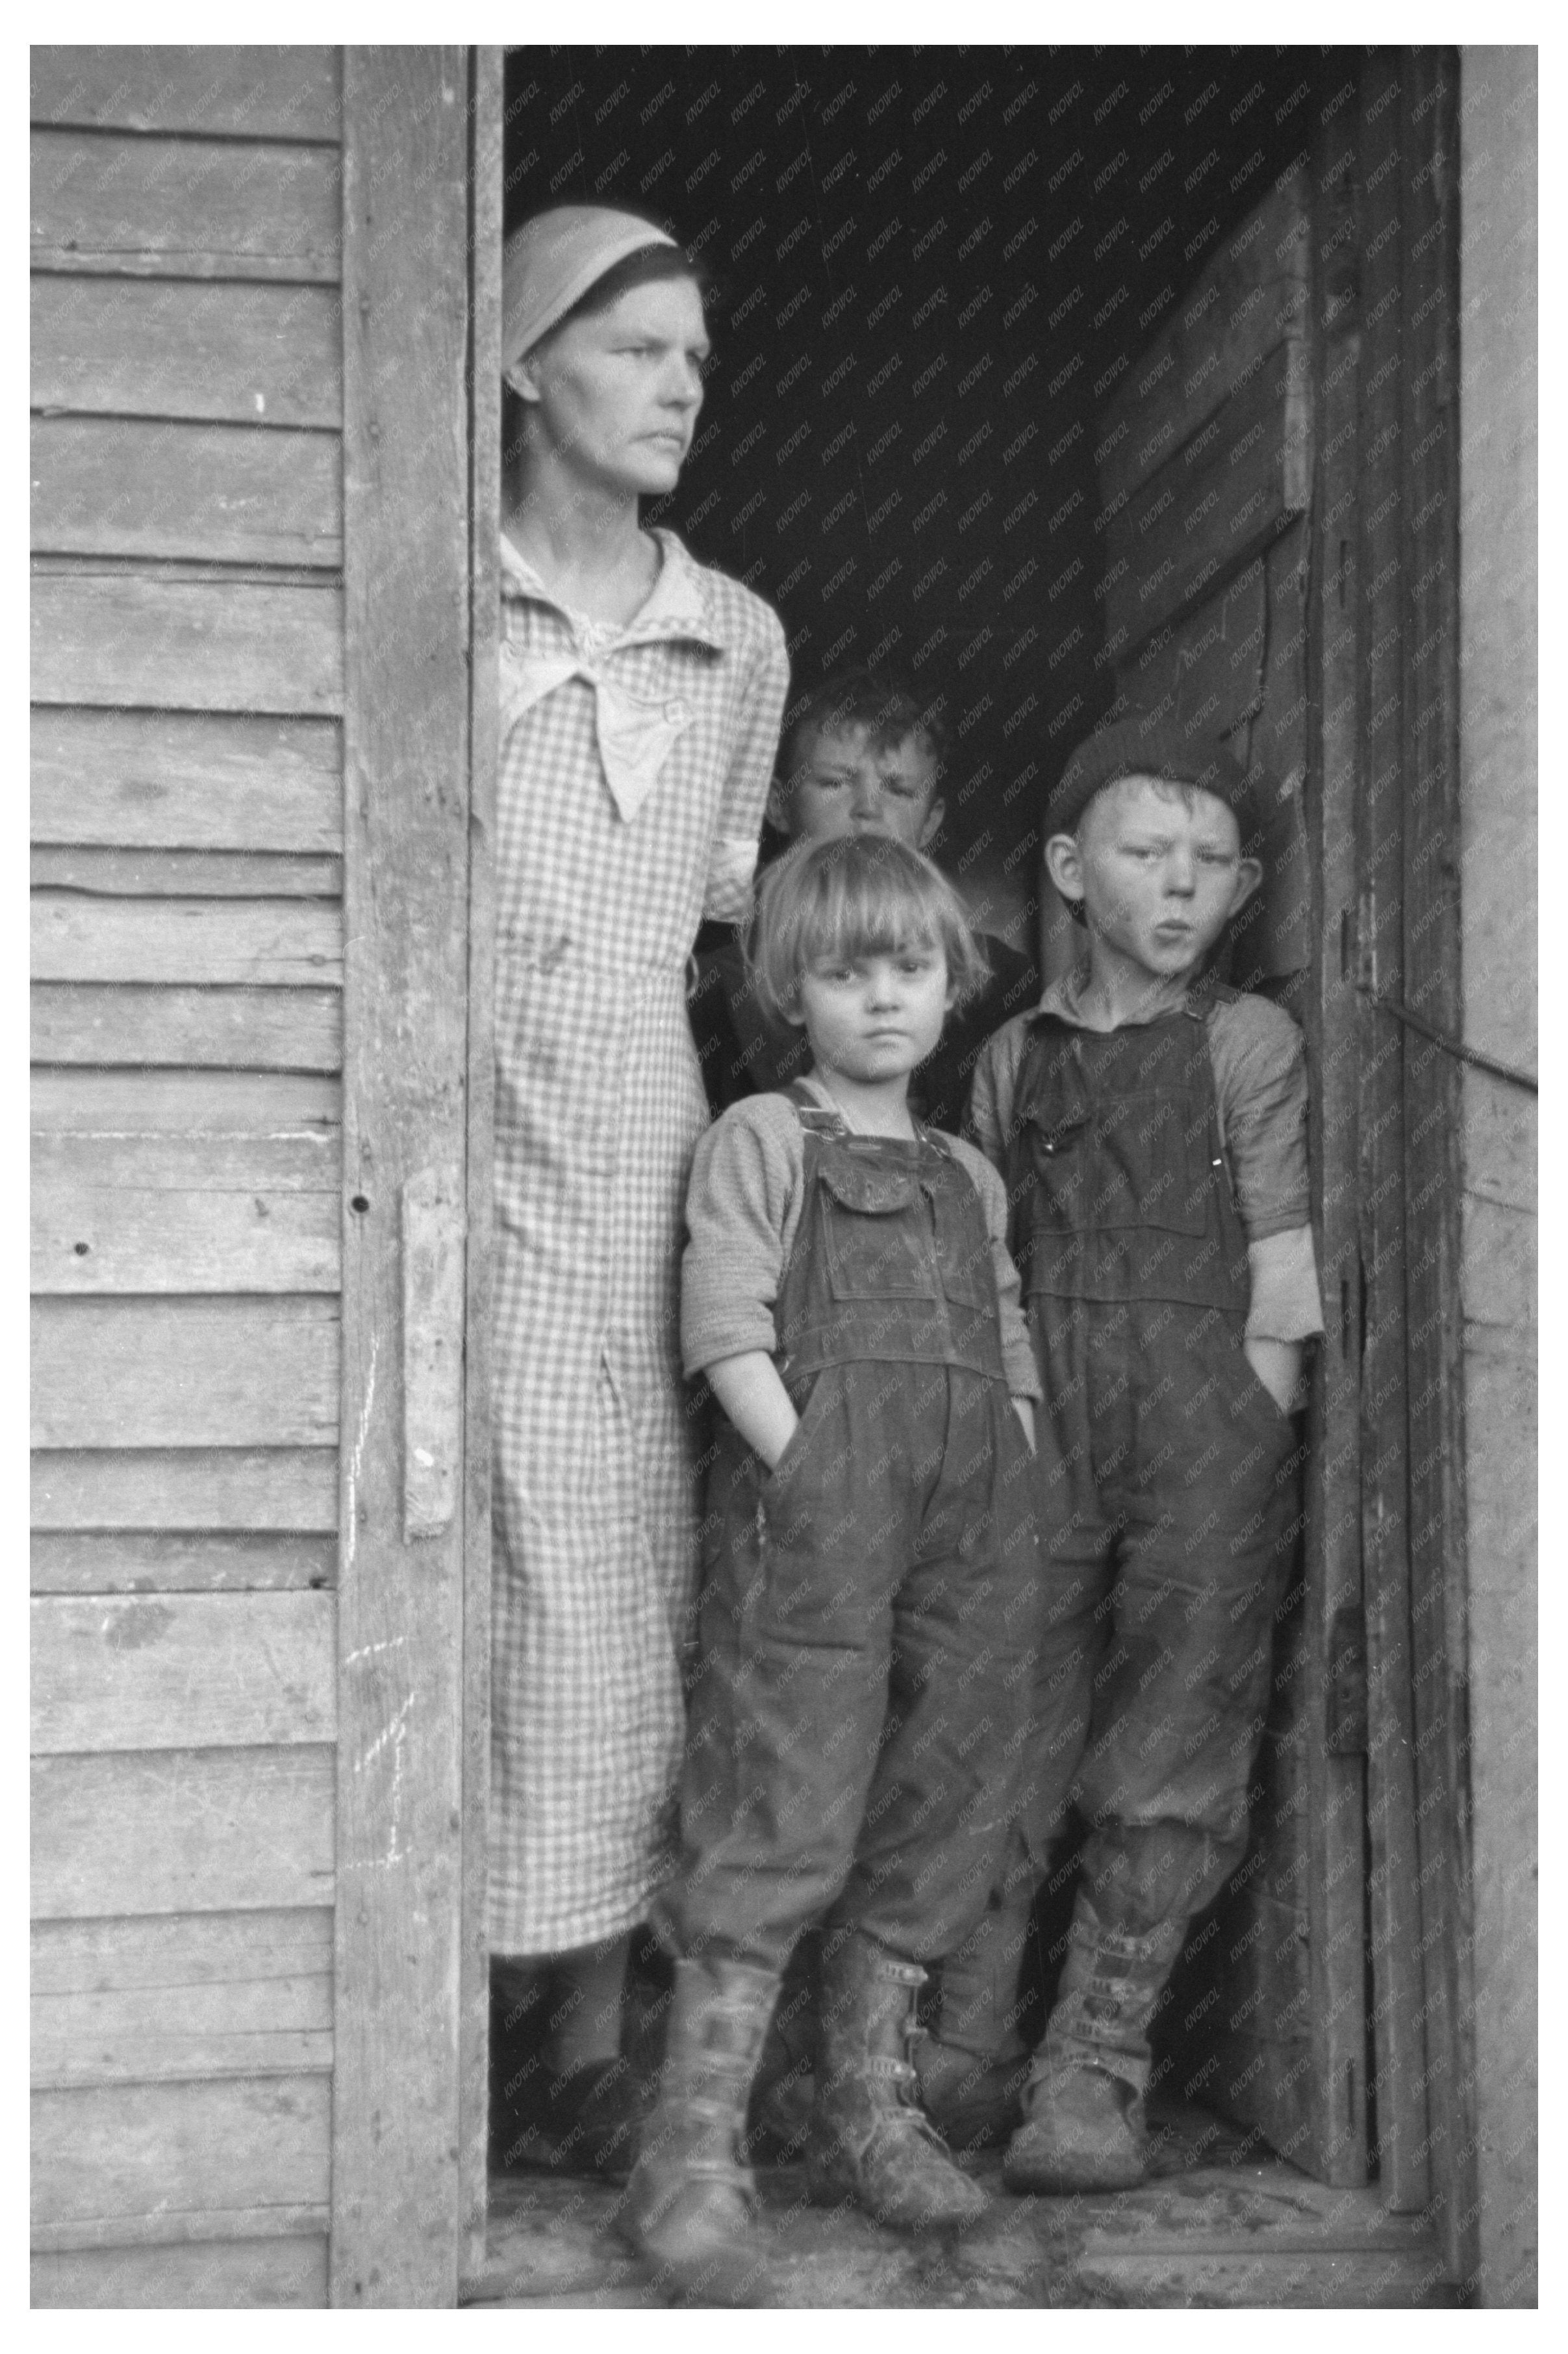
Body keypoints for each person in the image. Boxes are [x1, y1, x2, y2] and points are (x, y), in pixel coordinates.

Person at [626, 836, 1043, 2301]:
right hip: (816, 1509)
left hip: (973, 1516)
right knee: (782, 1791)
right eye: (845, 968)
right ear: (790, 988)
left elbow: (1002, 1324)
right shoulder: (761, 1132)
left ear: (952, 985)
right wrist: (802, 1461)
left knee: (941, 1789)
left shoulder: (966, 1170)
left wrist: (1021, 1443)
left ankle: (873, 2108)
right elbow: (726, 1318)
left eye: (910, 966)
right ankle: (692, 2147)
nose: (882, 996)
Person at [487, 203, 789, 2174]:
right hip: (450, 1124)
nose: (680, 382)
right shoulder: (439, 592)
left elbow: (715, 925)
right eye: (632, 348)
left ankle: (589, 2039)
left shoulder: (736, 634)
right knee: (464, 1556)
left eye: (693, 351)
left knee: (621, 1562)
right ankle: (440, 2014)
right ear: (524, 368)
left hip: (631, 1139)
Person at [962, 708, 1324, 2194]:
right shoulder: (1005, 1058)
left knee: (1170, 1740)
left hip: (1198, 1441)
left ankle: (1091, 2068)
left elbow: (1280, 1265)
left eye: (1208, 860)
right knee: (1003, 1723)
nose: (1174, 886)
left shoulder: (1246, 1040)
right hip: (1038, 1432)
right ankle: (957, 2052)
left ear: (1242, 888)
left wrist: (1250, 1412)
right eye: (1140, 851)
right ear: (1065, 866)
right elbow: (983, 1258)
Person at [688, 669, 1039, 1130]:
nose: (867, 808)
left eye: (898, 789)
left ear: (932, 821)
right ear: (776, 804)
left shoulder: (997, 982)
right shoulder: (707, 989)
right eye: (835, 782)